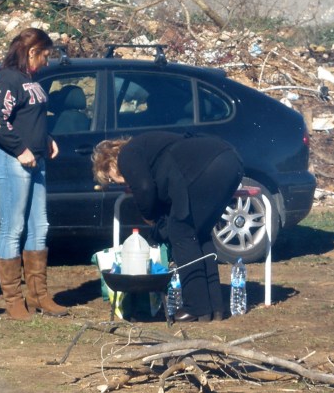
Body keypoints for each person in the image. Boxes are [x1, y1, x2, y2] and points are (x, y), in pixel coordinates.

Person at [92, 131, 244, 322]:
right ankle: (215, 307)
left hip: (206, 167)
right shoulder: (148, 147)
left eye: (110, 178)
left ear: (110, 162)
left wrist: (149, 216)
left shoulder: (127, 155)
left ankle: (197, 307)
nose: (116, 182)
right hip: (231, 161)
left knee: (180, 232)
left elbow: (145, 188)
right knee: (200, 234)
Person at [0, 27, 66, 320]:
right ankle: (13, 300)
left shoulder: (29, 80)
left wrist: (46, 138)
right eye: (45, 55)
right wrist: (20, 149)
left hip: (35, 160)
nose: (46, 61)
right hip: (11, 160)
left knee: (39, 226)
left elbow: (29, 118)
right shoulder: (7, 78)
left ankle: (38, 295)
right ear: (32, 52)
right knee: (13, 228)